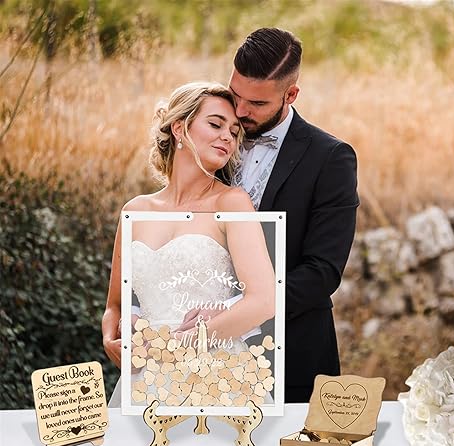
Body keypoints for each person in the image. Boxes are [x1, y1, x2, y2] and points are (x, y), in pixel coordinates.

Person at [102, 82, 275, 406]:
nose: (228, 137)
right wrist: (112, 338)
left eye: (234, 131)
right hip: (146, 375)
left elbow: (263, 302)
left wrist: (185, 343)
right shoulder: (135, 210)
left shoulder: (231, 202)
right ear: (179, 128)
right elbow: (115, 305)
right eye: (216, 124)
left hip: (217, 373)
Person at [227, 28, 359, 403]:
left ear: (291, 95)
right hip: (201, 358)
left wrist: (237, 313)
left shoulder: (331, 158)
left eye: (257, 103)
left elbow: (322, 271)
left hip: (292, 354)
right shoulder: (210, 134)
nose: (240, 111)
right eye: (235, 95)